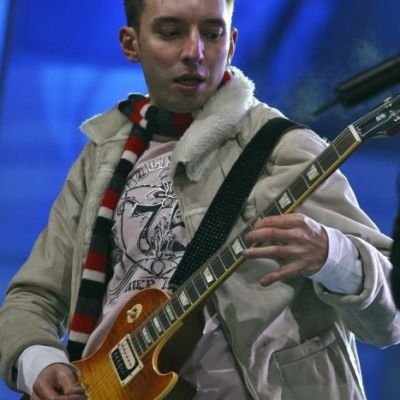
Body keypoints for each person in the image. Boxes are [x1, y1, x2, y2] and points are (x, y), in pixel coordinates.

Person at [1, 0, 399, 399]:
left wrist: (333, 256)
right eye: (170, 32)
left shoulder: (285, 149)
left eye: (212, 33)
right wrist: (40, 362)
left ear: (232, 43)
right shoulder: (102, 156)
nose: (194, 51)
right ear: (131, 43)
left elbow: (391, 317)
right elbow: (33, 296)